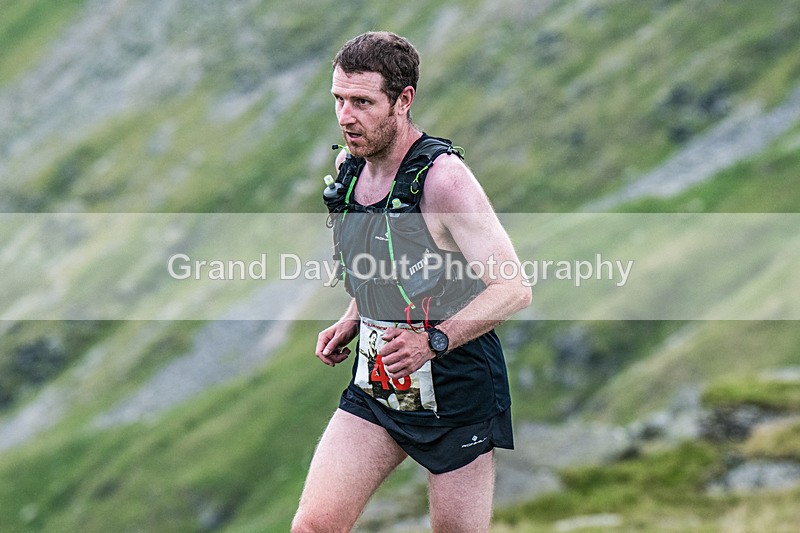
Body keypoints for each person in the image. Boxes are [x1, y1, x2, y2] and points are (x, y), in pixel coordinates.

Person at [292, 31, 531, 533]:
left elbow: (513, 288)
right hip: (378, 383)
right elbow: (385, 262)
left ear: (403, 100)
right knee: (313, 527)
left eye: (362, 102)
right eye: (338, 99)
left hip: (458, 389)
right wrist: (353, 317)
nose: (345, 116)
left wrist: (432, 341)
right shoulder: (348, 168)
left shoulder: (445, 180)